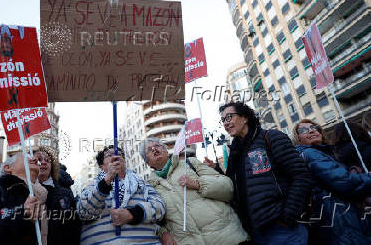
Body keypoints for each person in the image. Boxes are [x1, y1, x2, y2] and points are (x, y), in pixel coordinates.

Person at [220, 102, 311, 244]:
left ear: (245, 118)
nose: (226, 123)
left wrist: (288, 215)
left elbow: (301, 175)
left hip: (282, 227)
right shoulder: (234, 154)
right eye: (223, 120)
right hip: (255, 232)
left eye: (229, 117)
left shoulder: (271, 138)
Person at [139, 138, 248, 245]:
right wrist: (163, 233)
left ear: (166, 151)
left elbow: (228, 187)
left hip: (227, 236)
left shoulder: (191, 163)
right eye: (149, 150)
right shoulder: (149, 187)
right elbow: (153, 219)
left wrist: (198, 184)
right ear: (147, 163)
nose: (154, 149)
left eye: (157, 145)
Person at [293, 119, 371, 244]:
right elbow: (344, 182)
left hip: (342, 219)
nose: (311, 131)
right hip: (340, 220)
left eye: (314, 127)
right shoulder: (310, 153)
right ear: (298, 138)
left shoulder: (324, 153)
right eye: (303, 130)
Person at [78, 145, 165, 245]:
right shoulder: (92, 186)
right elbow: (83, 212)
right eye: (109, 155)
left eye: (119, 154)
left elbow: (160, 207)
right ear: (102, 166)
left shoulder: (142, 184)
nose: (116, 156)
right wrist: (108, 179)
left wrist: (133, 214)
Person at [33, 146, 80, 245]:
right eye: (39, 160)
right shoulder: (25, 191)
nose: (44, 162)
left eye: (47, 160)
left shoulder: (64, 193)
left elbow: (73, 226)